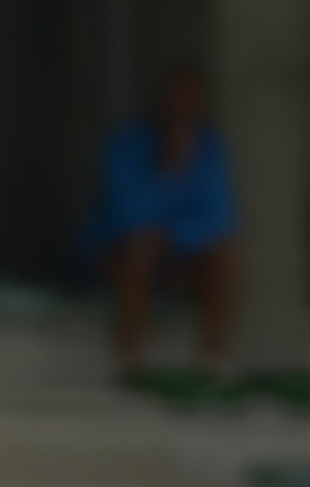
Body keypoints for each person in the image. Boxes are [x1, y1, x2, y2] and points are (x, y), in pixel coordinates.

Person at [88, 60, 235, 373]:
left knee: (224, 257)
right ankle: (131, 360)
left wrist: (174, 237)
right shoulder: (127, 144)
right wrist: (167, 171)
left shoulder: (209, 147)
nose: (181, 113)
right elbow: (128, 215)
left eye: (190, 104)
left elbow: (221, 217)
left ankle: (212, 364)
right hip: (122, 254)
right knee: (142, 249)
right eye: (175, 102)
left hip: (176, 254)